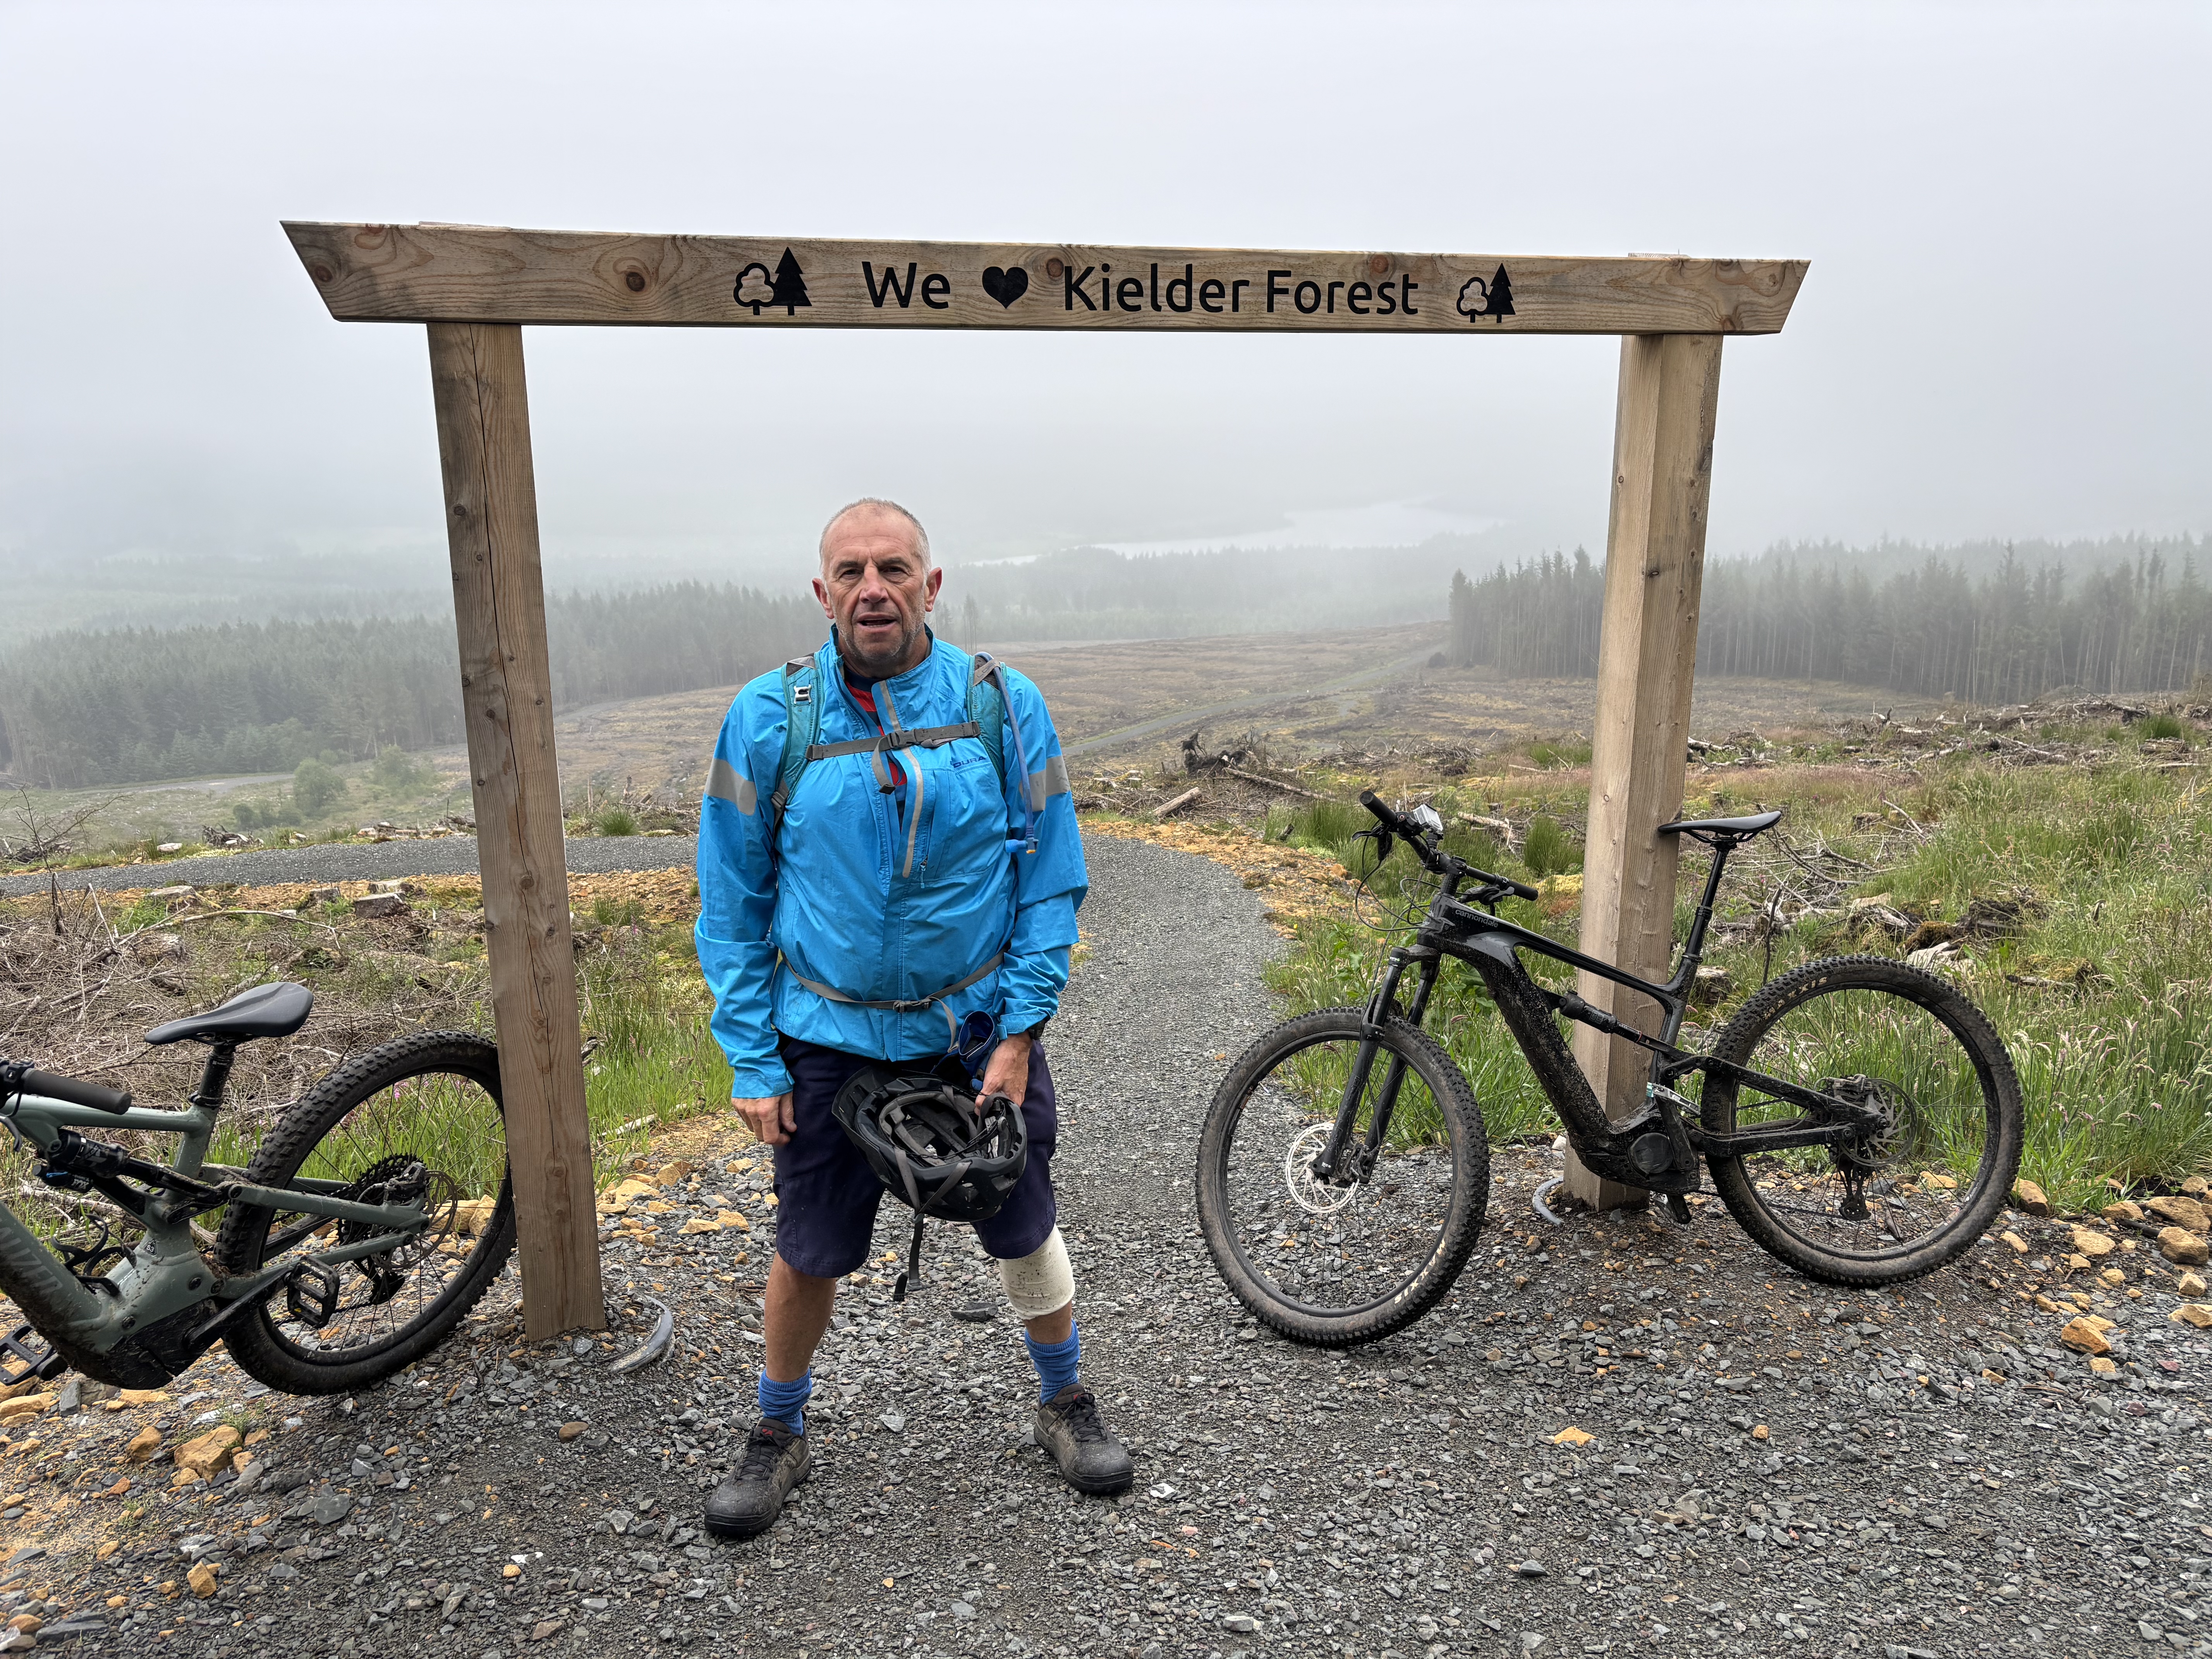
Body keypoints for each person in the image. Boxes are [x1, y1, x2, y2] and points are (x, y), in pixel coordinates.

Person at [694, 498, 1133, 1540]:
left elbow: (1050, 878)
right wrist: (753, 1058)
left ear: (932, 585)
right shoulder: (770, 719)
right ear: (822, 592)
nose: (872, 588)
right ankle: (777, 1428)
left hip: (976, 1034)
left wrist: (1021, 1033)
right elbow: (732, 903)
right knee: (807, 1245)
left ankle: (1065, 1399)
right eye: (850, 571)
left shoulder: (1004, 705)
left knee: (1023, 1218)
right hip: (824, 1041)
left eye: (894, 568)